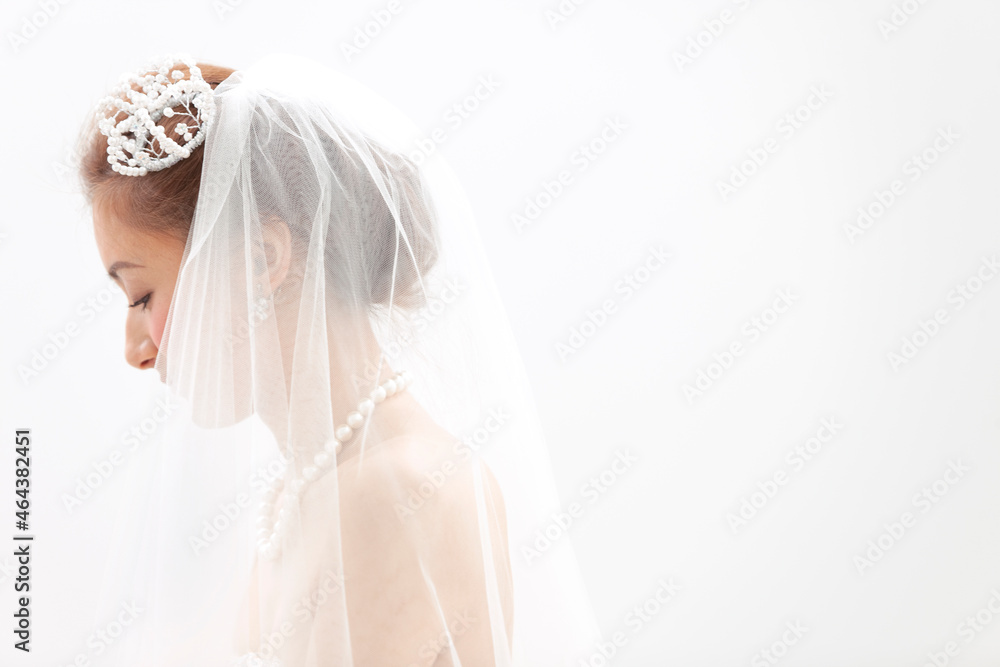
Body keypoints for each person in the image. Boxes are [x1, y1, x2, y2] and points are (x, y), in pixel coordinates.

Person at [77, 53, 600, 666]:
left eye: (142, 297)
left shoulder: (397, 493)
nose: (136, 351)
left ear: (262, 260)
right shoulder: (305, 491)